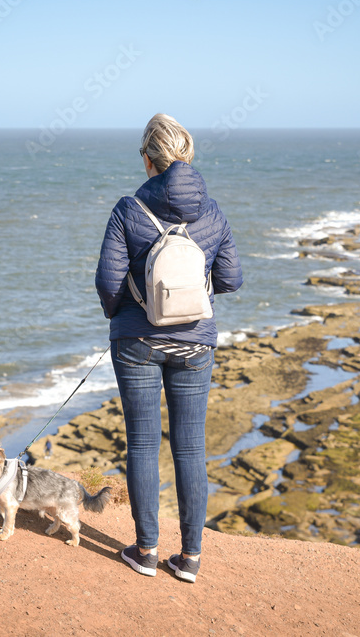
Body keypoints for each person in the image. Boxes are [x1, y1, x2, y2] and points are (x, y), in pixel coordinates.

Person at [95, 113, 243, 582]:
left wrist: (121, 314)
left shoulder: (127, 210)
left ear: (148, 159)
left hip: (136, 340)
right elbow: (231, 279)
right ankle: (191, 559)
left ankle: (146, 552)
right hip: (195, 344)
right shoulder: (213, 212)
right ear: (188, 155)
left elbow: (106, 281)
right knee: (190, 448)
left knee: (141, 442)